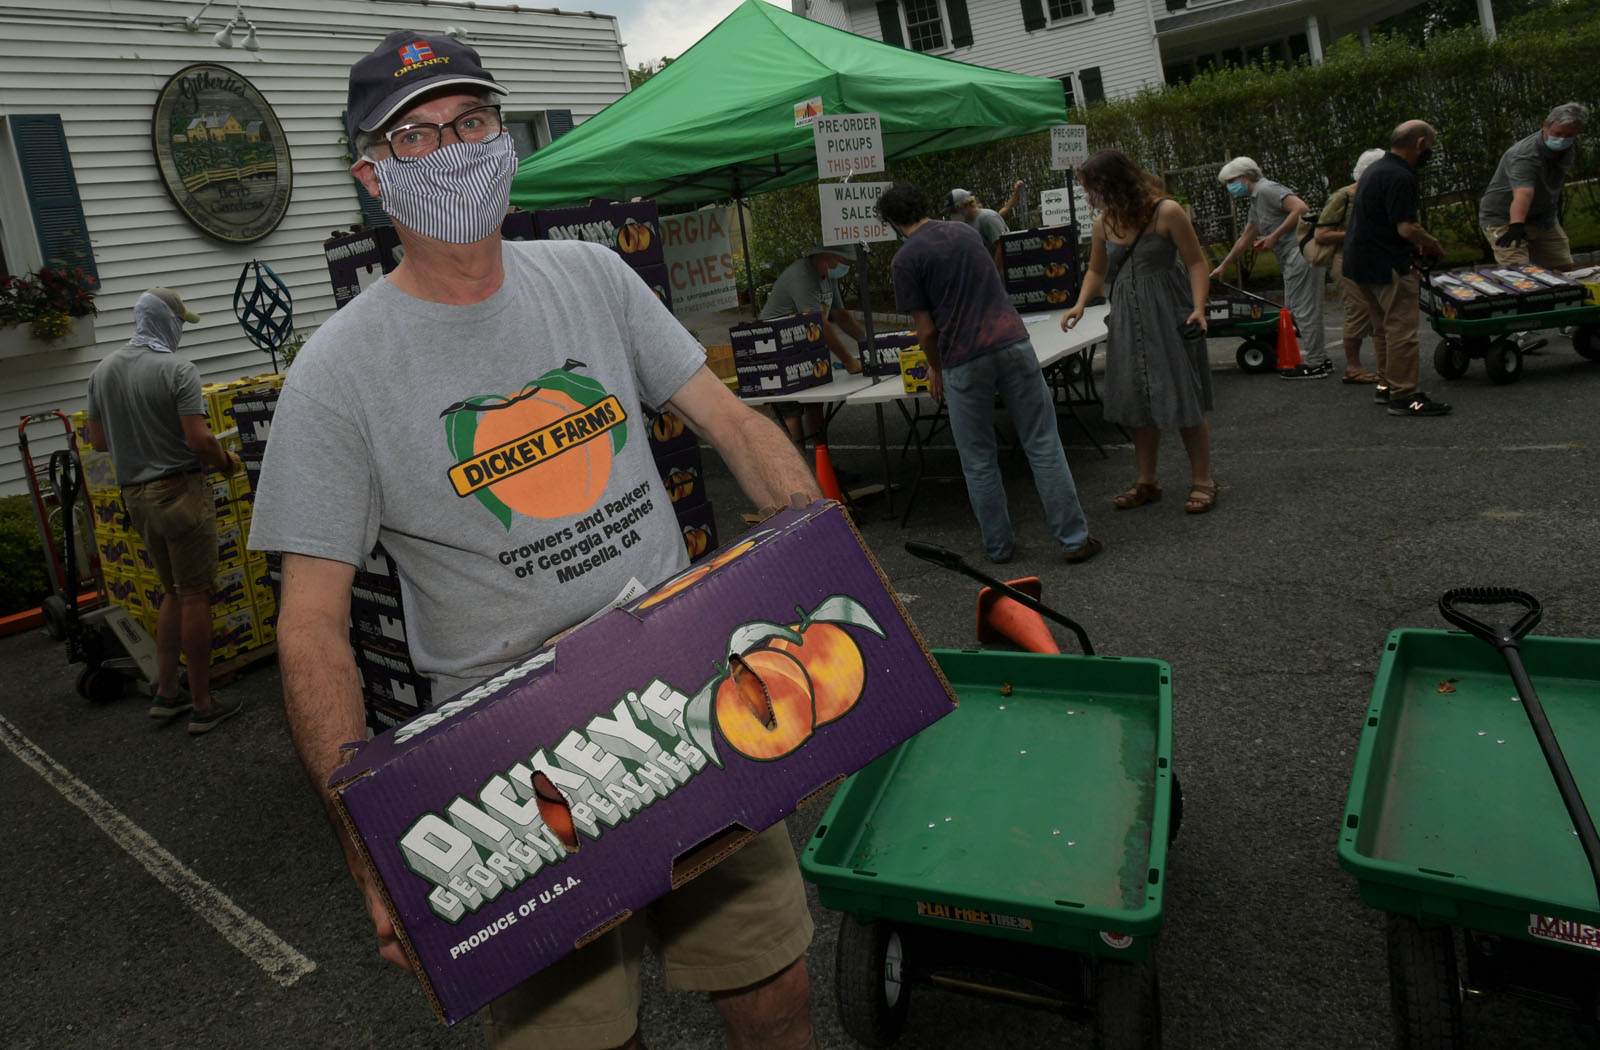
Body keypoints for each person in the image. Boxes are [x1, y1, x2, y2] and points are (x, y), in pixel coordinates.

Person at [246, 30, 820, 1050]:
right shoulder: (336, 375)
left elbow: (729, 422)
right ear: (372, 177)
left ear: (503, 135)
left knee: (772, 990)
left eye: (472, 121)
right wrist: (367, 846)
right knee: (581, 1040)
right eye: (416, 136)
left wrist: (821, 569)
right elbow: (313, 631)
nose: (457, 149)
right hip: (510, 763)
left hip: (689, 697)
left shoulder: (592, 278)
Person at [875, 182, 1101, 565]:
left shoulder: (905, 260)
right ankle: (1074, 539)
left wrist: (935, 366)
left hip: (963, 357)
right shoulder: (965, 231)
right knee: (1043, 443)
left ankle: (999, 547)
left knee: (978, 458)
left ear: (893, 221)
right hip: (1011, 341)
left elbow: (926, 330)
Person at [85, 288, 245, 734]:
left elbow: (99, 441)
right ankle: (202, 703)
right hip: (179, 491)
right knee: (194, 593)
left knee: (171, 591)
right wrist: (224, 462)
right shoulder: (177, 369)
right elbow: (198, 440)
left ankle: (167, 692)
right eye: (180, 322)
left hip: (135, 496)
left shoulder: (102, 372)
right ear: (167, 322)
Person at [1061, 150, 1218, 515]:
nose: (1089, 197)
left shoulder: (1167, 211)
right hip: (1127, 320)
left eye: (1093, 188)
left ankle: (1204, 480)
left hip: (1168, 313)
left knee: (1183, 397)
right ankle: (1147, 481)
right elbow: (1097, 273)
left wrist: (1199, 306)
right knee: (1137, 402)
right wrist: (1081, 303)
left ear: (1114, 183)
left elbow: (1196, 262)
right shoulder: (1104, 223)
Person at [1343, 120, 1450, 417]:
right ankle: (1406, 397)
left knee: (1382, 328)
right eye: (1431, 145)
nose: (1430, 151)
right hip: (1387, 262)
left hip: (1359, 261)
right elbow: (1406, 227)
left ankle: (1387, 385)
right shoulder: (1401, 176)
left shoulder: (1374, 171)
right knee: (1402, 330)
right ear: (1419, 144)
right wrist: (1431, 243)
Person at [1209, 157, 1331, 380]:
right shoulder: (1256, 201)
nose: (1230, 187)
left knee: (1303, 309)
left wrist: (1275, 236)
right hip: (1291, 257)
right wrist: (1224, 265)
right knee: (1298, 307)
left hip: (1299, 253)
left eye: (1232, 181)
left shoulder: (1266, 190)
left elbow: (1301, 208)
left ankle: (1316, 363)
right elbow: (1246, 237)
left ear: (1246, 176)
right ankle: (1319, 358)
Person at [760, 245, 865, 447]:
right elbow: (818, 324)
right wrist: (848, 360)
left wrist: (868, 343)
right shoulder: (802, 277)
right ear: (827, 257)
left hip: (804, 347)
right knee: (792, 411)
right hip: (777, 350)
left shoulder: (827, 276)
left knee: (814, 405)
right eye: (844, 263)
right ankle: (801, 468)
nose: (846, 268)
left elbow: (840, 316)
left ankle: (821, 464)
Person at [1313, 148, 1389, 386]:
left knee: (1378, 311)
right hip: (1344, 259)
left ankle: (1385, 366)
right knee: (1359, 309)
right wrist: (1358, 234)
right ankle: (1353, 367)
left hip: (1372, 258)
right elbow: (1322, 235)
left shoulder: (1379, 194)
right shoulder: (1343, 196)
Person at [1480, 103, 1588, 268]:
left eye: (1569, 135)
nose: (1562, 140)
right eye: (1558, 133)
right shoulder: (1524, 154)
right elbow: (1523, 192)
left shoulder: (1572, 145)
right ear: (1546, 126)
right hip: (1505, 218)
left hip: (1544, 218)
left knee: (1563, 269)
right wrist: (1516, 225)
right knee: (1520, 272)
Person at [943, 186, 1017, 270]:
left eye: (954, 211)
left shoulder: (986, 217)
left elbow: (1002, 246)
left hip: (1003, 273)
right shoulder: (967, 224)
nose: (952, 215)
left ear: (966, 204)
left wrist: (994, 273)